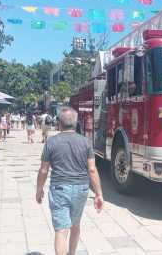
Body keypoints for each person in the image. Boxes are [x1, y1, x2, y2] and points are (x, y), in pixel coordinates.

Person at [36, 106, 103, 255]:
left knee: (61, 231)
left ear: (59, 123)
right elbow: (92, 169)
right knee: (75, 225)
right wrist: (99, 194)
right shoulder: (85, 142)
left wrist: (39, 189)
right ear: (76, 123)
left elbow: (44, 170)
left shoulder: (51, 142)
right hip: (81, 189)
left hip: (60, 189)